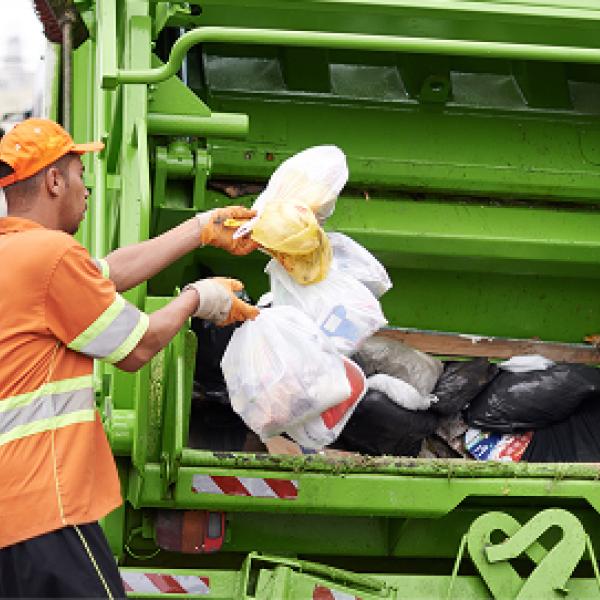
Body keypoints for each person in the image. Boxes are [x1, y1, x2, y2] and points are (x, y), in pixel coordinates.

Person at [0, 118, 259, 598]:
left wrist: (200, 229)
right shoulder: (50, 256)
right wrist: (198, 300)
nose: (87, 188)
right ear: (54, 180)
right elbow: (138, 347)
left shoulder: (16, 256)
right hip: (45, 506)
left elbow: (106, 273)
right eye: (80, 173)